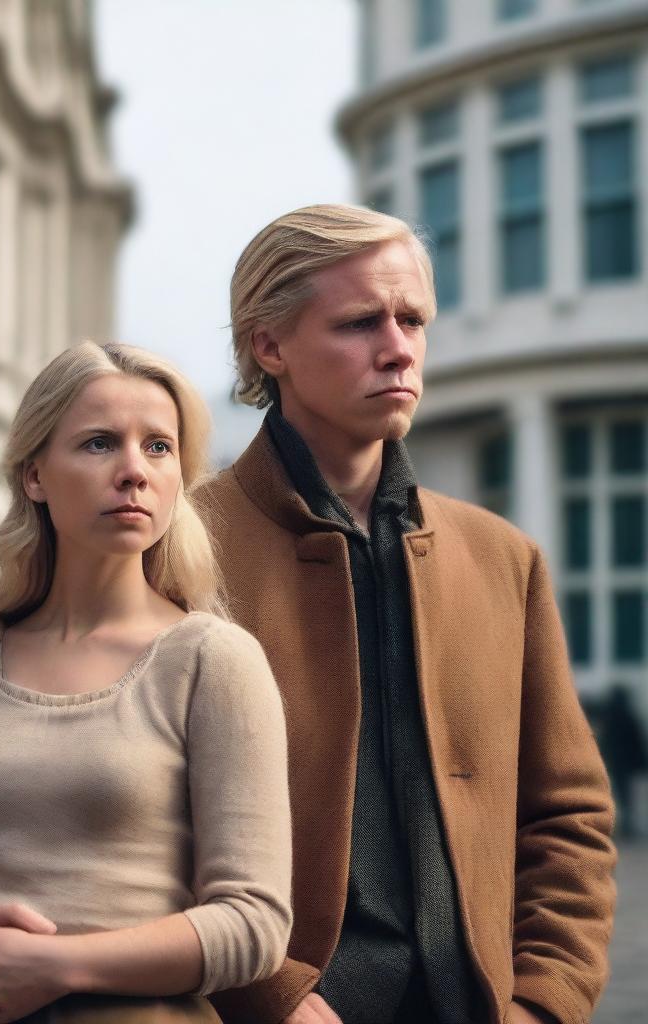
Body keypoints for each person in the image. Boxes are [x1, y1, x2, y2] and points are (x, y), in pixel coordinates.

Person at [193, 204, 616, 1024]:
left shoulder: (504, 559)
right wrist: (269, 992)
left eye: (412, 318)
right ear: (268, 345)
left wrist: (545, 1001)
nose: (398, 347)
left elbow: (568, 818)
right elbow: (136, 817)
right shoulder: (179, 553)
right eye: (360, 322)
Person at [0, 342, 292, 1024]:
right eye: (99, 444)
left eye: (159, 447)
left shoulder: (214, 661)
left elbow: (254, 923)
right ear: (34, 475)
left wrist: (57, 965)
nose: (134, 471)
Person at [598, 684, 647, 839]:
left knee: (616, 795)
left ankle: (619, 826)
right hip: (626, 764)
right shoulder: (628, 716)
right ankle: (626, 826)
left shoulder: (608, 718)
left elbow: (603, 742)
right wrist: (642, 763)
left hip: (613, 763)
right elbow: (637, 742)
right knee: (626, 796)